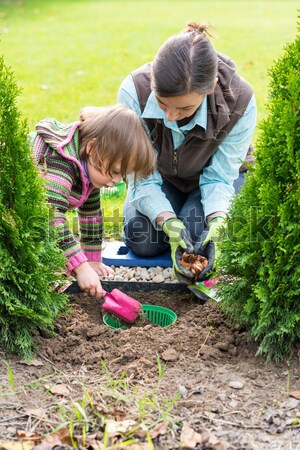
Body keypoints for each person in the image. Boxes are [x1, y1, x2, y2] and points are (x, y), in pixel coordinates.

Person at [118, 21, 257, 283]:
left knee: (196, 239)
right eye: (162, 103)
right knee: (143, 238)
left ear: (211, 87)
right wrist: (168, 221)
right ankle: (178, 212)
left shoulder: (241, 101)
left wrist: (217, 221)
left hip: (213, 181)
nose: (170, 117)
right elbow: (142, 176)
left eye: (184, 109)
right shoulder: (134, 91)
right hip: (160, 178)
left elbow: (219, 178)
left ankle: (191, 215)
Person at [30, 105, 154, 297]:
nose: (116, 181)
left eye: (122, 176)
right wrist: (80, 267)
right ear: (92, 148)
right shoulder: (60, 163)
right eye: (114, 171)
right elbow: (50, 217)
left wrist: (92, 260)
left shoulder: (91, 168)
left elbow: (91, 216)